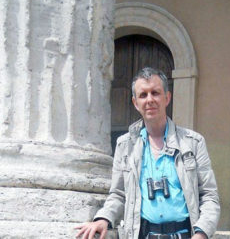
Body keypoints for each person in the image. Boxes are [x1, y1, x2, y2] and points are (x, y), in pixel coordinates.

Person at [75, 67, 220, 239]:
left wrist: (202, 233)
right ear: (135, 103)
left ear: (167, 97)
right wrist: (103, 218)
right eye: (143, 95)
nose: (149, 100)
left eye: (155, 93)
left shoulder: (193, 143)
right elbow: (118, 194)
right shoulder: (125, 145)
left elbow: (209, 196)